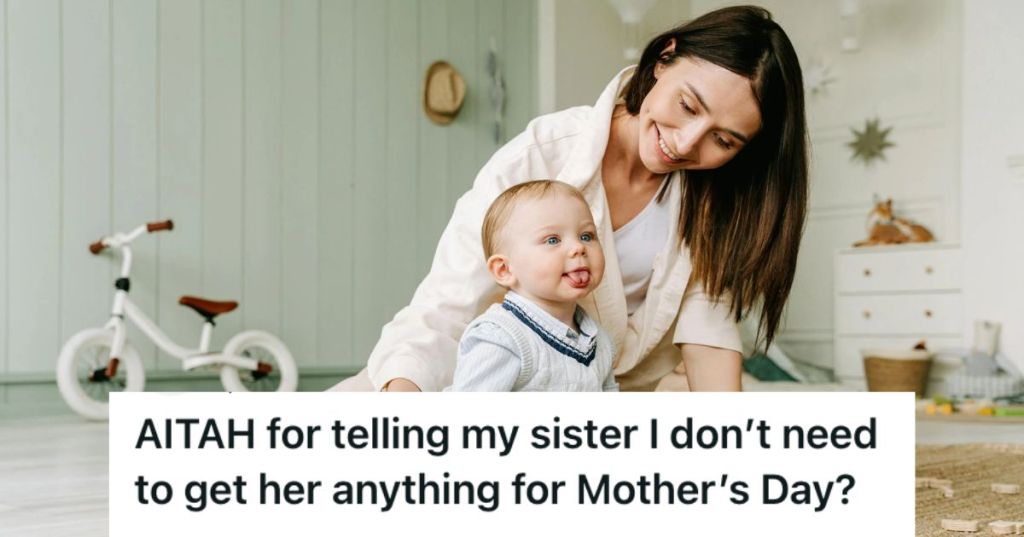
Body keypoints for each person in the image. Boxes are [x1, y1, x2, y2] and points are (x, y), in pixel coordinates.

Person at [330, 5, 807, 393]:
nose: (686, 144)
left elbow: (709, 340)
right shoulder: (542, 154)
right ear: (664, 57)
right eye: (687, 106)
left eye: (723, 140)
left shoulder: (719, 200)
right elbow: (445, 307)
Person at [446, 180, 618, 392]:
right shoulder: (502, 338)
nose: (578, 247)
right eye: (553, 240)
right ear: (505, 270)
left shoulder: (599, 340)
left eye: (586, 236)